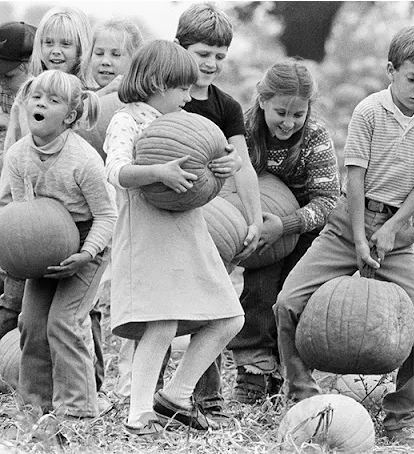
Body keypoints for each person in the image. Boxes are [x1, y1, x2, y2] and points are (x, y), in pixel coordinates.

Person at [273, 25, 414, 447]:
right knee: (287, 303)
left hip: (398, 234)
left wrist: (389, 230)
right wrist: (360, 237)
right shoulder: (369, 111)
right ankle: (302, 394)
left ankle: (402, 413)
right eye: (412, 79)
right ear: (391, 70)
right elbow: (355, 177)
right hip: (346, 224)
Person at [103, 39, 244, 436]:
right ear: (157, 83)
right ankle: (139, 413)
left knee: (230, 317)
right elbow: (116, 171)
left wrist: (225, 162)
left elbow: (211, 156)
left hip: (188, 227)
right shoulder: (126, 120)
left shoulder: (180, 121)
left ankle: (177, 394)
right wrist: (158, 173)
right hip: (148, 229)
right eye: (182, 88)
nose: (189, 96)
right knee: (160, 322)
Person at [0, 69, 116, 418]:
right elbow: (25, 215)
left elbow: (108, 216)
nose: (41, 104)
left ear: (69, 116)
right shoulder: (18, 156)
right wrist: (20, 257)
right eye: (36, 97)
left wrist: (85, 254)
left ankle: (79, 408)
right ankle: (36, 404)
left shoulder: (83, 161)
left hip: (86, 243)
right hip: (45, 245)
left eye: (53, 100)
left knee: (63, 322)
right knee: (32, 324)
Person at [229, 60, 340, 405]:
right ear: (262, 100)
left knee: (292, 300)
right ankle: (252, 372)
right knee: (259, 292)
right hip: (261, 223)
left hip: (306, 228)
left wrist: (286, 225)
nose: (289, 122)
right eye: (281, 112)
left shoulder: (316, 137)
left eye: (298, 114)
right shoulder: (245, 131)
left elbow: (328, 201)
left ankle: (291, 373)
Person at [172, 1, 263, 414]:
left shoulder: (226, 107)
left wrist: (256, 216)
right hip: (167, 216)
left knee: (211, 306)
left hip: (210, 222)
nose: (210, 64)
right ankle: (149, 395)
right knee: (162, 309)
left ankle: (204, 398)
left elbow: (240, 164)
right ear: (180, 49)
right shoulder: (166, 99)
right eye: (202, 54)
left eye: (219, 57)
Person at [4, 6, 94, 151]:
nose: (56, 51)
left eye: (65, 44)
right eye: (49, 43)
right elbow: (12, 146)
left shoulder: (91, 96)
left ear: (81, 48)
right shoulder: (28, 93)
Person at [0, 20, 37, 340]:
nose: (2, 82)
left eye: (9, 75)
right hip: (8, 208)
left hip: (24, 216)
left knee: (16, 301)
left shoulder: (36, 106)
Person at [78, 18, 144, 161]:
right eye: (99, 53)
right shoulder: (81, 95)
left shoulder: (140, 101)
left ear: (135, 60)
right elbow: (73, 120)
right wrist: (105, 92)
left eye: (116, 55)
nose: (105, 61)